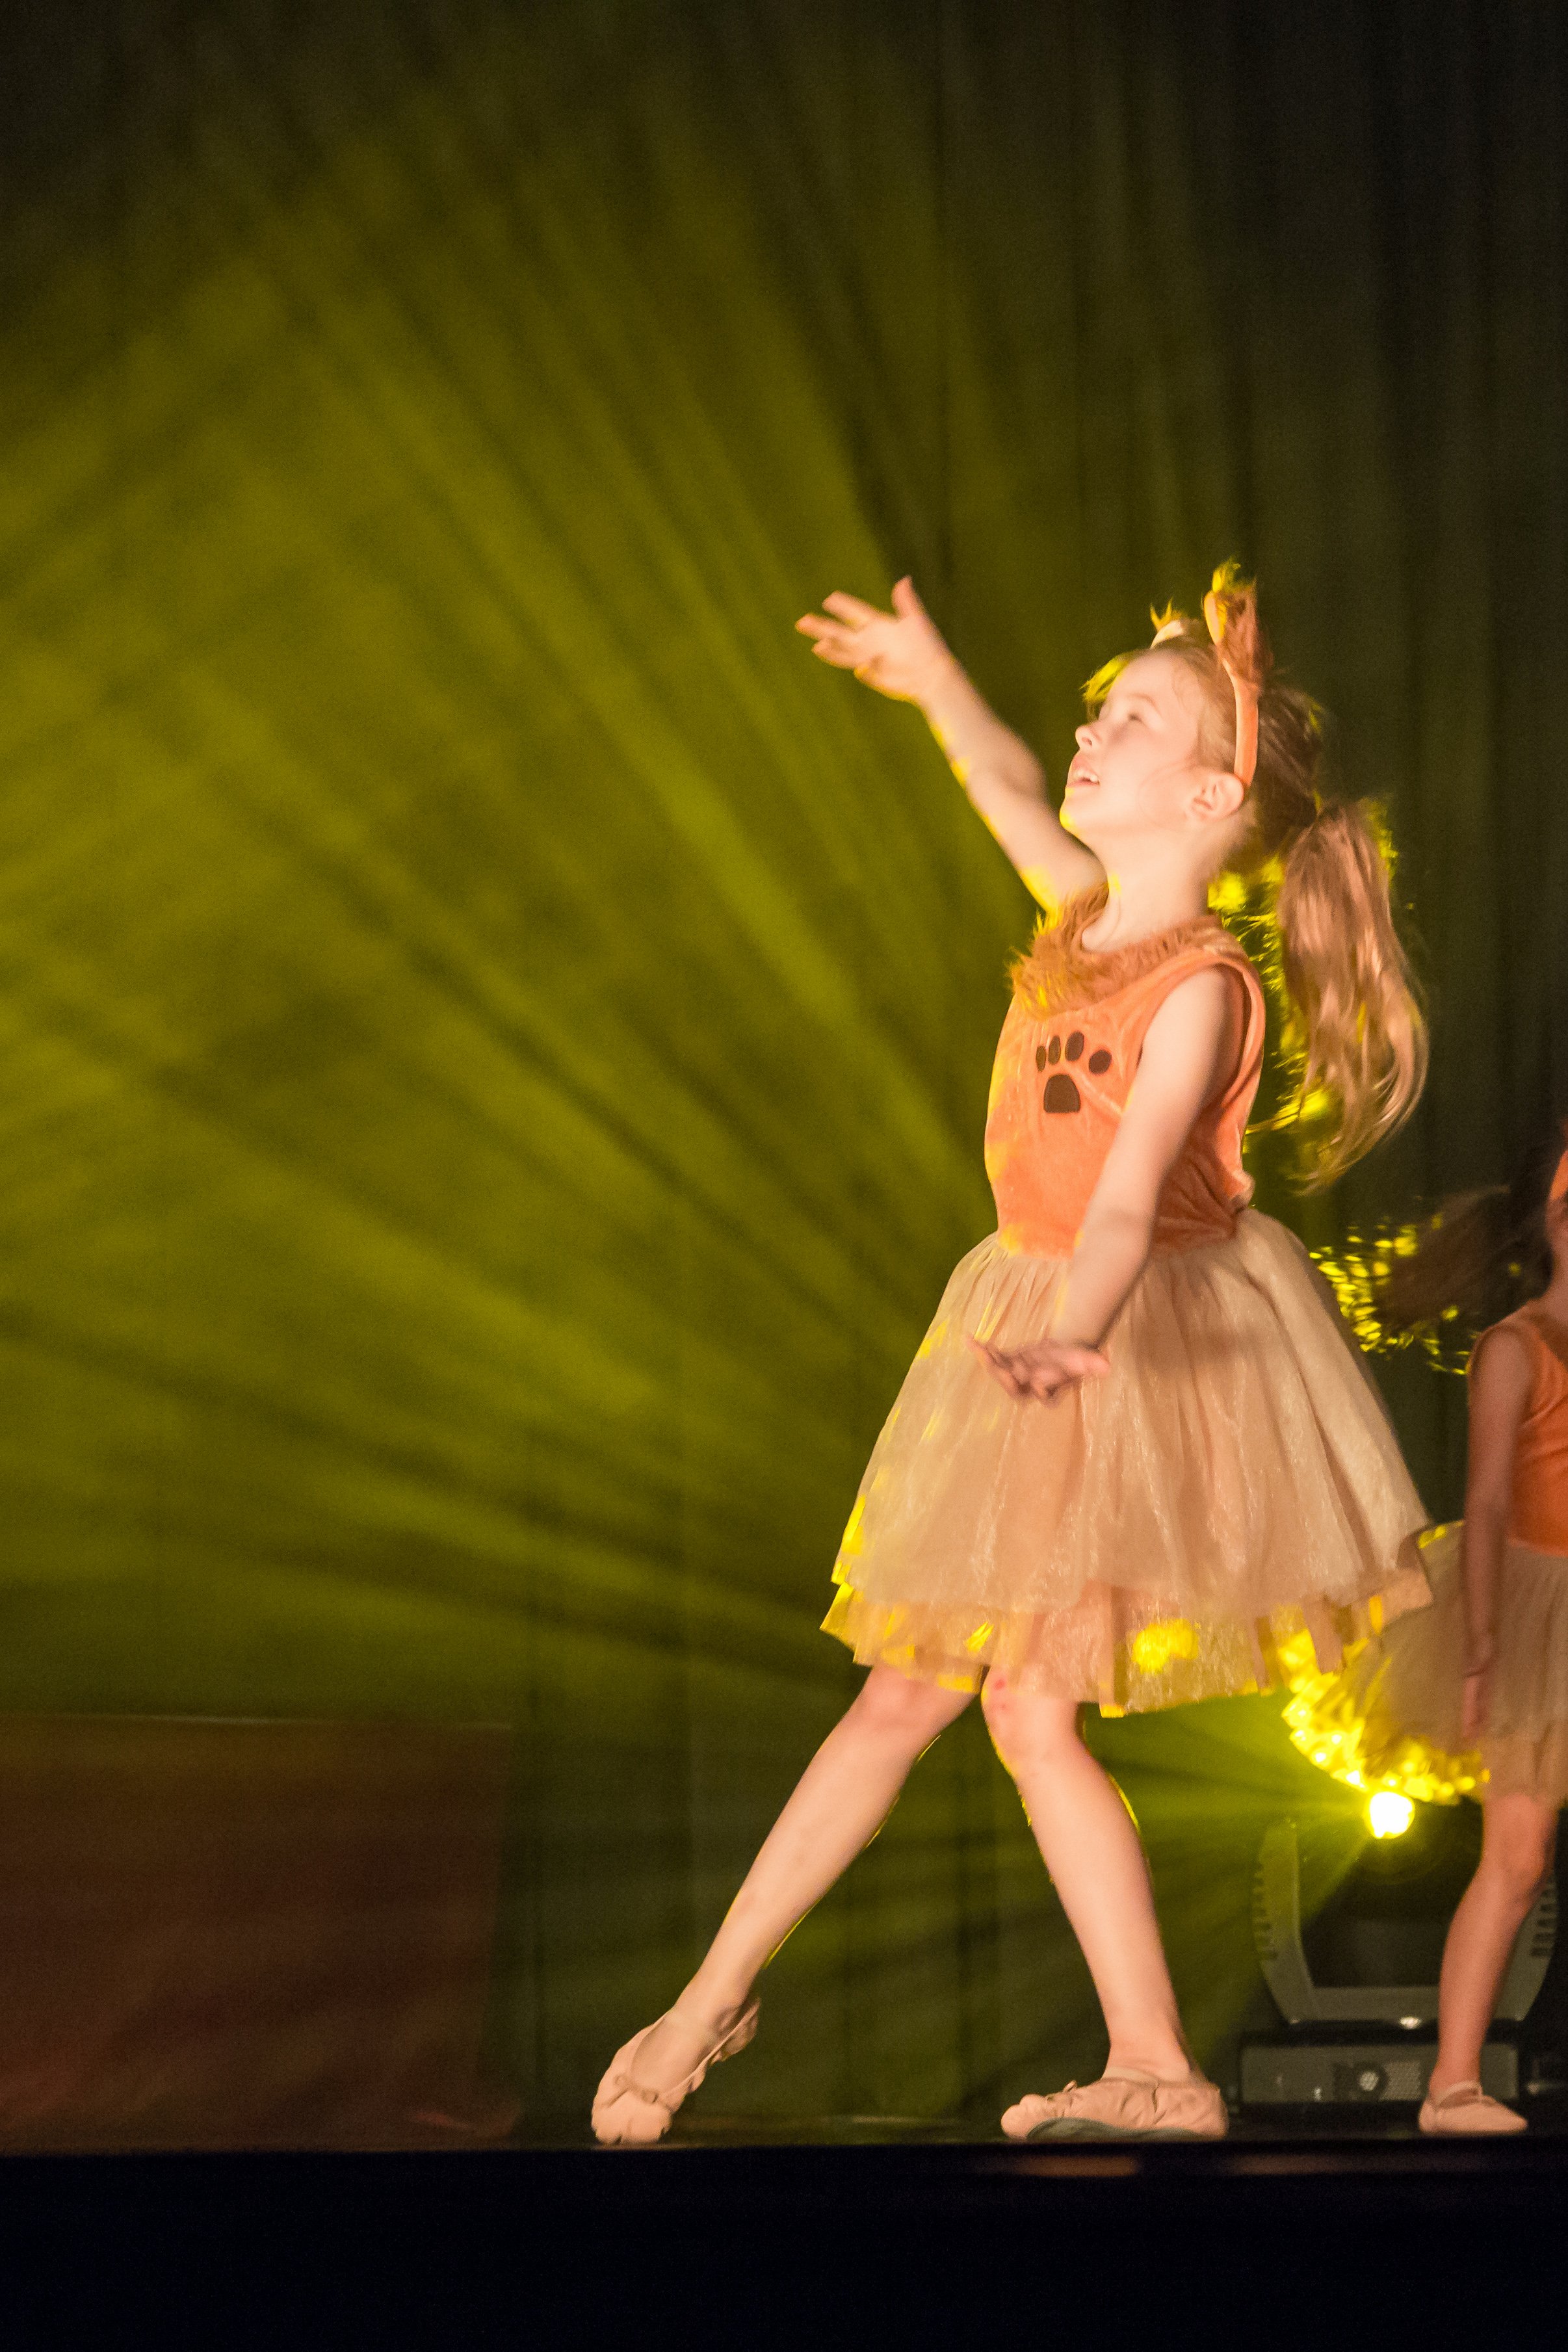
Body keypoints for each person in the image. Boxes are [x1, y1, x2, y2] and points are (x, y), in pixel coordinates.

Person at [591, 564, 1430, 2146]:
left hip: (1119, 1344)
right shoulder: (1076, 922)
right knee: (970, 1707)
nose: (1088, 735)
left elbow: (1124, 1207)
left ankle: (774, 2014)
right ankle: (1105, 2057)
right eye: (1096, 714)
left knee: (977, 1705)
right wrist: (931, 679)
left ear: (1209, 796)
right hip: (1031, 1316)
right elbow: (999, 778)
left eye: (1133, 720)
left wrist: (1071, 1338)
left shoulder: (1201, 991)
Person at [1288, 1134, 1568, 2135]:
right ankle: (1453, 2082)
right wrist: (1485, 1642)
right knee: (1518, 1857)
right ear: (1549, 1222)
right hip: (1534, 1607)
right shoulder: (1516, 1346)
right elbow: (1487, 1502)